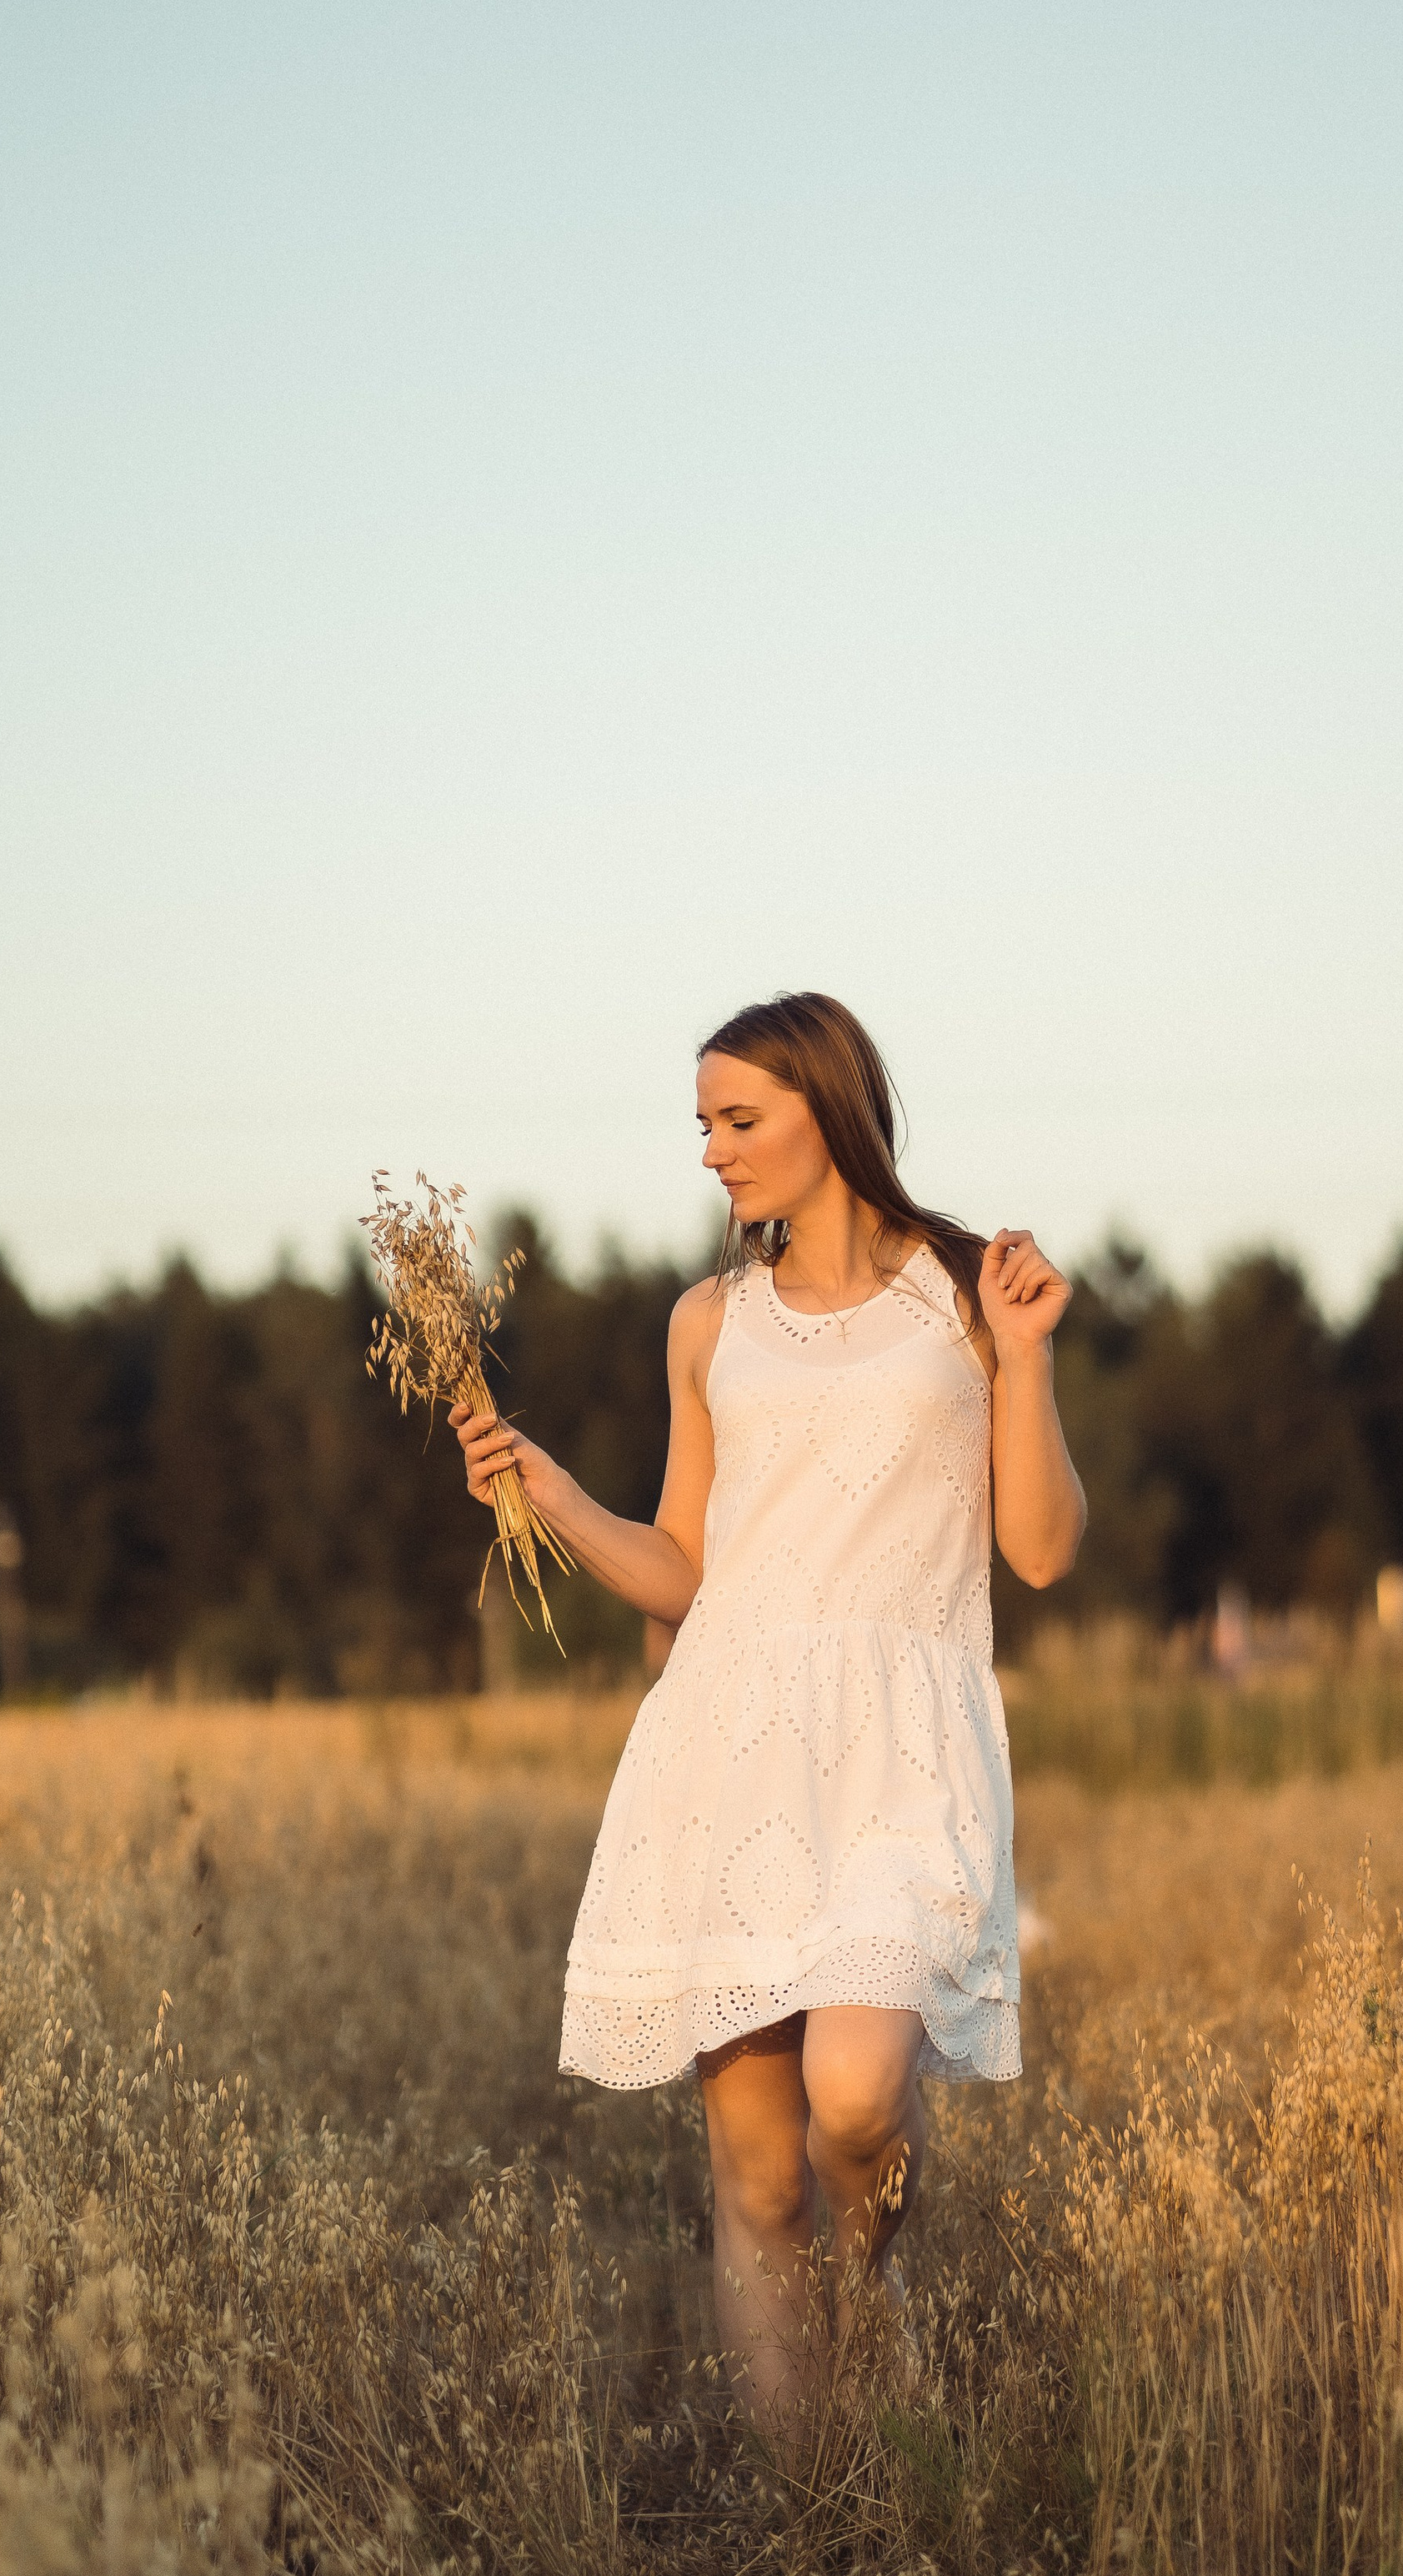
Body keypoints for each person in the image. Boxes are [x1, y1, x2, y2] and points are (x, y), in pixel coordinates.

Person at [451, 992, 1085, 2425]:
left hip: (904, 1749)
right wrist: (549, 1489)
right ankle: (804, 2519)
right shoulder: (709, 1323)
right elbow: (684, 1566)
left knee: (857, 2100)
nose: (714, 1154)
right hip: (728, 1746)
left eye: (739, 1121)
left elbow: (1039, 1550)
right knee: (754, 2173)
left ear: (830, 1107)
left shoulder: (969, 1291)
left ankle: (874, 2319)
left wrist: (1030, 1359)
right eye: (704, 1127)